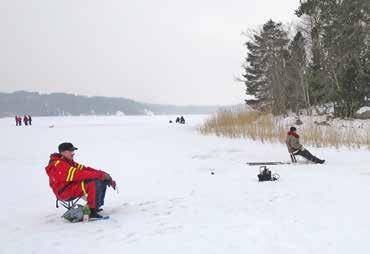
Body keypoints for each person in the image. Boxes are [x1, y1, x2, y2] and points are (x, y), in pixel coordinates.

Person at [45, 142, 116, 219]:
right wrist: (100, 175)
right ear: (64, 152)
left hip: (71, 186)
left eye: (73, 151)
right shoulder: (58, 165)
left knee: (100, 180)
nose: (73, 153)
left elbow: (85, 169)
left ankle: (95, 207)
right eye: (71, 151)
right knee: (94, 182)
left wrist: (103, 174)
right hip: (64, 191)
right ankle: (91, 212)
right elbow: (79, 174)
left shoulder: (68, 161)